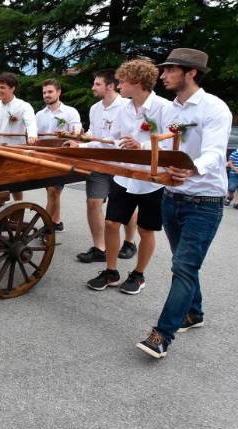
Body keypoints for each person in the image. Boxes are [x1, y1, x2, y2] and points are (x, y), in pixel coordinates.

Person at [136, 48, 232, 359]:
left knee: (184, 267)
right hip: (172, 198)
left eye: (169, 69)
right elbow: (158, 140)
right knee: (184, 264)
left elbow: (216, 152)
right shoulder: (168, 110)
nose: (162, 75)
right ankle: (195, 312)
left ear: (191, 73)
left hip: (204, 202)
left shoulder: (214, 108)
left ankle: (162, 335)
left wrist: (191, 167)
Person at [85, 58, 170, 297]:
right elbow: (113, 139)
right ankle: (111, 271)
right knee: (112, 223)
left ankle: (138, 275)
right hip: (124, 175)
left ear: (138, 82)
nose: (119, 86)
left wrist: (141, 145)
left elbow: (173, 144)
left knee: (145, 229)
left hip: (151, 180)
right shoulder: (123, 108)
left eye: (123, 82)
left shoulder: (164, 107)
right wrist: (85, 147)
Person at [70, 70, 138, 263]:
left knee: (128, 206)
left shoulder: (127, 106)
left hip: (122, 165)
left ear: (110, 85)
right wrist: (82, 140)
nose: (93, 87)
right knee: (93, 203)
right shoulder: (94, 108)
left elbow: (125, 138)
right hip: (99, 163)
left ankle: (129, 242)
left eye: (97, 84)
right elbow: (93, 133)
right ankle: (100, 248)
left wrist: (87, 143)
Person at [0, 72, 37, 200]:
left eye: (3, 87)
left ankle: (18, 208)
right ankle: (0, 211)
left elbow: (31, 123)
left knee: (16, 185)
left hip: (15, 151)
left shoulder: (23, 106)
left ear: (12, 88)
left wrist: (32, 135)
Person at [35, 79, 81, 233]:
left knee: (54, 190)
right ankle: (56, 221)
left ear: (59, 92)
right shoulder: (39, 114)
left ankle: (47, 225)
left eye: (50, 92)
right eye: (44, 92)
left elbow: (76, 134)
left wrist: (69, 135)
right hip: (45, 156)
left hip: (63, 156)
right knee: (52, 191)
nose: (46, 95)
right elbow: (35, 138)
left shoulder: (70, 112)